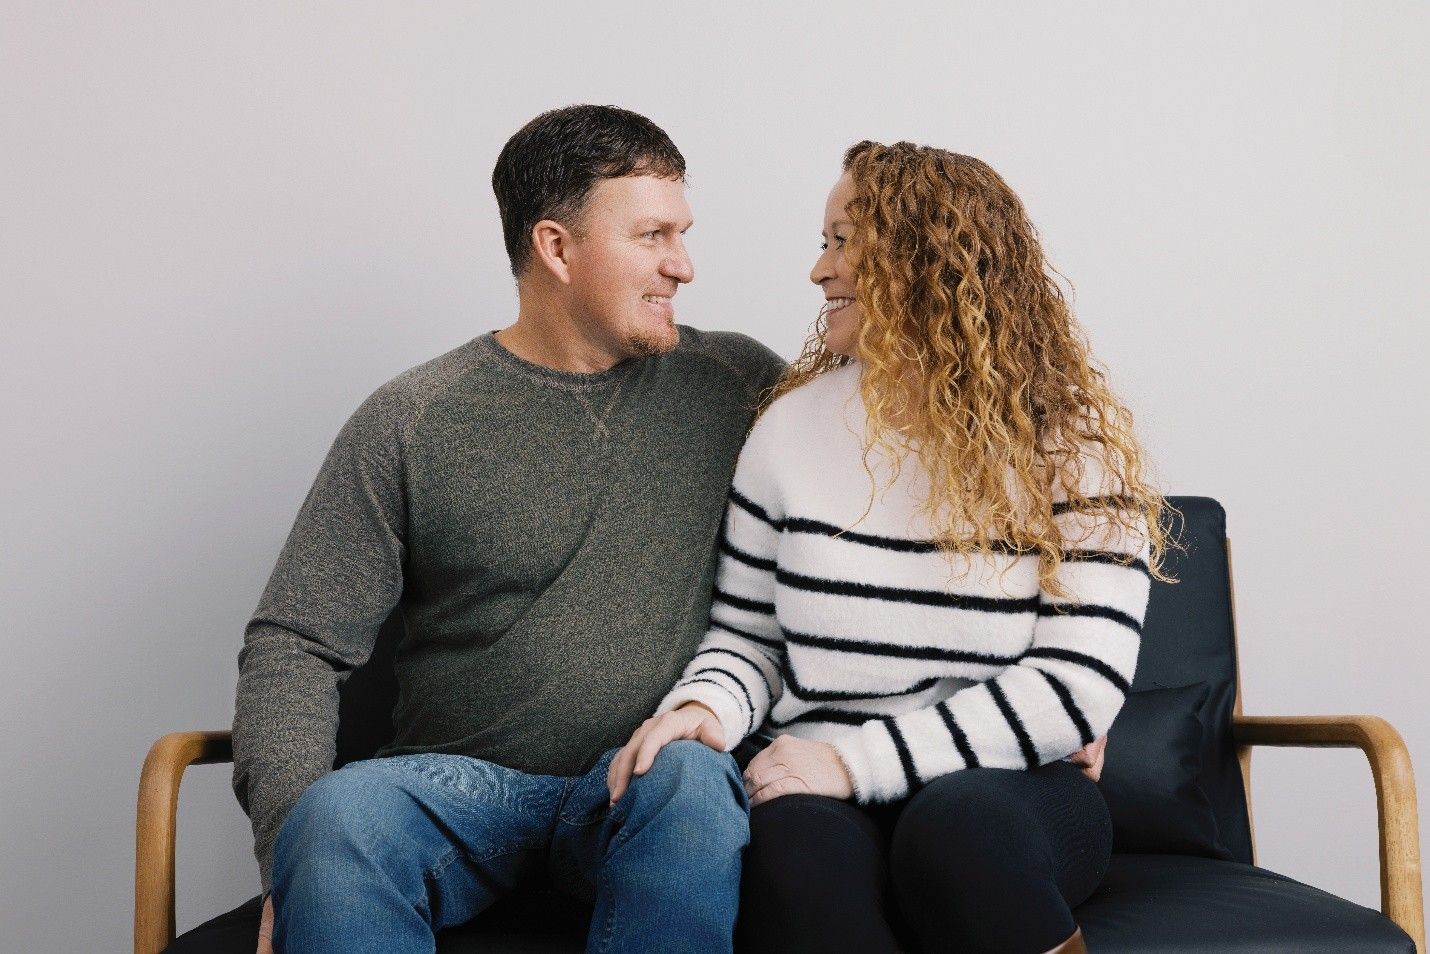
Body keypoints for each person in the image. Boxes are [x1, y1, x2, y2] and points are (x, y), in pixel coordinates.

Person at [222, 104, 785, 954]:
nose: (684, 264)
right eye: (652, 236)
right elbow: (294, 642)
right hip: (455, 791)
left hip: (645, 779)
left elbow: (884, 467)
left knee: (691, 783)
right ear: (557, 248)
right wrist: (288, 856)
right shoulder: (413, 418)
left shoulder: (737, 382)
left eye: (682, 234)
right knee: (336, 818)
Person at [608, 140, 1169, 954]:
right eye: (823, 242)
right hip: (815, 777)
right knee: (793, 860)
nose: (818, 270)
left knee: (959, 833)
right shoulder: (788, 431)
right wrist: (706, 708)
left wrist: (854, 765)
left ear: (923, 259)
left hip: (1006, 791)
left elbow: (1076, 683)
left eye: (843, 242)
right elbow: (751, 640)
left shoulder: (1071, 447)